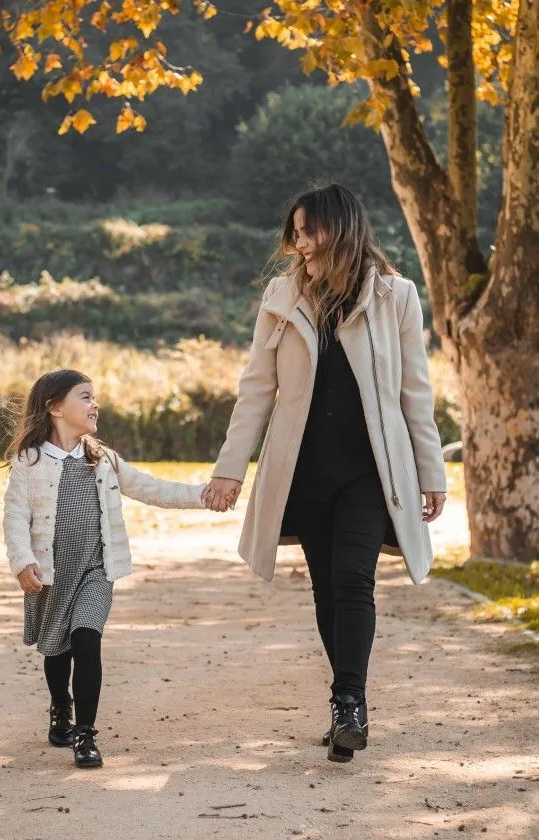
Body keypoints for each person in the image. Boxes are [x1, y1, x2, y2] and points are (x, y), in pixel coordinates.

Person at [203, 184, 446, 763]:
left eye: (309, 230)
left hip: (371, 471)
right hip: (303, 469)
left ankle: (349, 704)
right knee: (324, 589)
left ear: (341, 229)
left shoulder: (396, 296)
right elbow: (256, 390)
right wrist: (229, 471)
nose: (299, 242)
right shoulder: (282, 296)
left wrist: (431, 473)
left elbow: (416, 393)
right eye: (295, 231)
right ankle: (345, 703)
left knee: (352, 581)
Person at [3, 369, 210, 768]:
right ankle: (60, 705)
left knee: (85, 640)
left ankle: (86, 734)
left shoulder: (103, 459)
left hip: (96, 571)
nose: (94, 404)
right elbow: (14, 518)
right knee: (56, 649)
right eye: (84, 397)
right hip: (51, 573)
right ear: (55, 407)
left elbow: (155, 489)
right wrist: (23, 561)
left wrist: (206, 495)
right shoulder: (29, 462)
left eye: (94, 396)